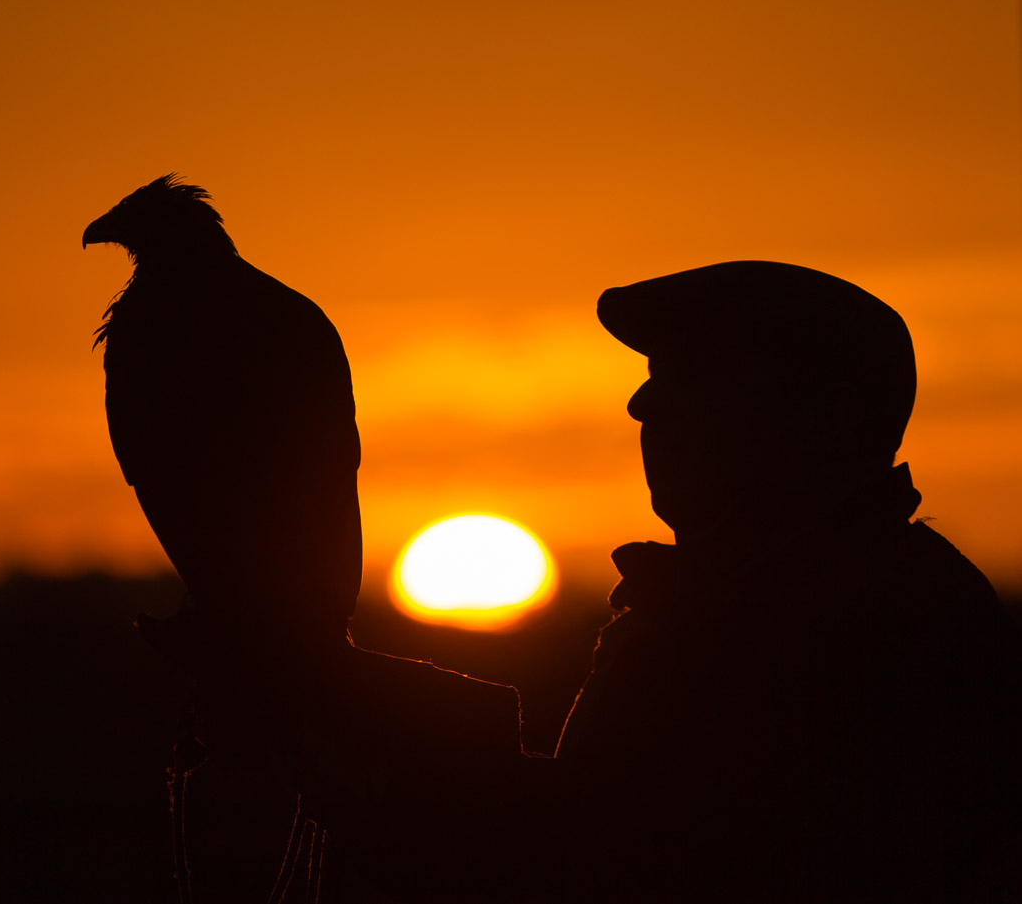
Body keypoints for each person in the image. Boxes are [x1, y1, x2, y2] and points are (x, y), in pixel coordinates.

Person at [167, 261, 1022, 902]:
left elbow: (621, 863)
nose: (642, 405)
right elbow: (599, 822)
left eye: (695, 374)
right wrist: (333, 701)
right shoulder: (739, 600)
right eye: (651, 376)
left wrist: (352, 741)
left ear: (833, 417)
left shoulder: (880, 619)